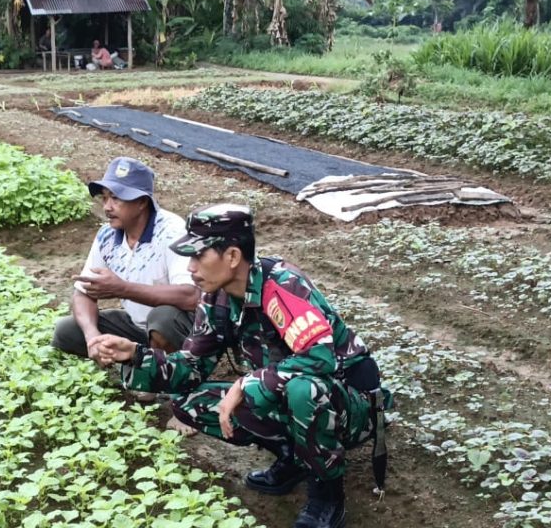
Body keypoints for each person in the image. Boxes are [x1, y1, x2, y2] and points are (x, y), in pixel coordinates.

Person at [90, 204, 392, 528]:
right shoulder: (216, 297)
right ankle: (293, 458)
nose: (190, 268)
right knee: (190, 402)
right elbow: (190, 368)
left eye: (198, 257)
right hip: (294, 397)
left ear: (232, 257)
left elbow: (320, 358)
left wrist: (247, 383)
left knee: (303, 388)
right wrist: (136, 355)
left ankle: (327, 494)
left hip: (349, 407)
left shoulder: (282, 287)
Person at [52, 157, 199, 362]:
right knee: (66, 330)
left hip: (183, 329)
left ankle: (161, 376)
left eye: (116, 198)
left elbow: (191, 296)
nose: (107, 207)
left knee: (161, 317)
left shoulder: (171, 231)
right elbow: (82, 293)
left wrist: (122, 288)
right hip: (137, 327)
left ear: (141, 202)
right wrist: (92, 336)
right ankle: (137, 358)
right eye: (104, 198)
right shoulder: (107, 235)